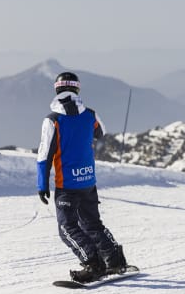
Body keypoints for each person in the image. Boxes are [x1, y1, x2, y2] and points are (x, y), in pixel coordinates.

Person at [36, 71, 127, 283]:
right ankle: (115, 260)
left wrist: (42, 184)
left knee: (67, 227)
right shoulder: (90, 114)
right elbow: (101, 132)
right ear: (77, 89)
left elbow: (44, 155)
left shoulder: (53, 120)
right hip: (88, 180)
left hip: (67, 184)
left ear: (57, 89)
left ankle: (93, 264)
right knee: (92, 223)